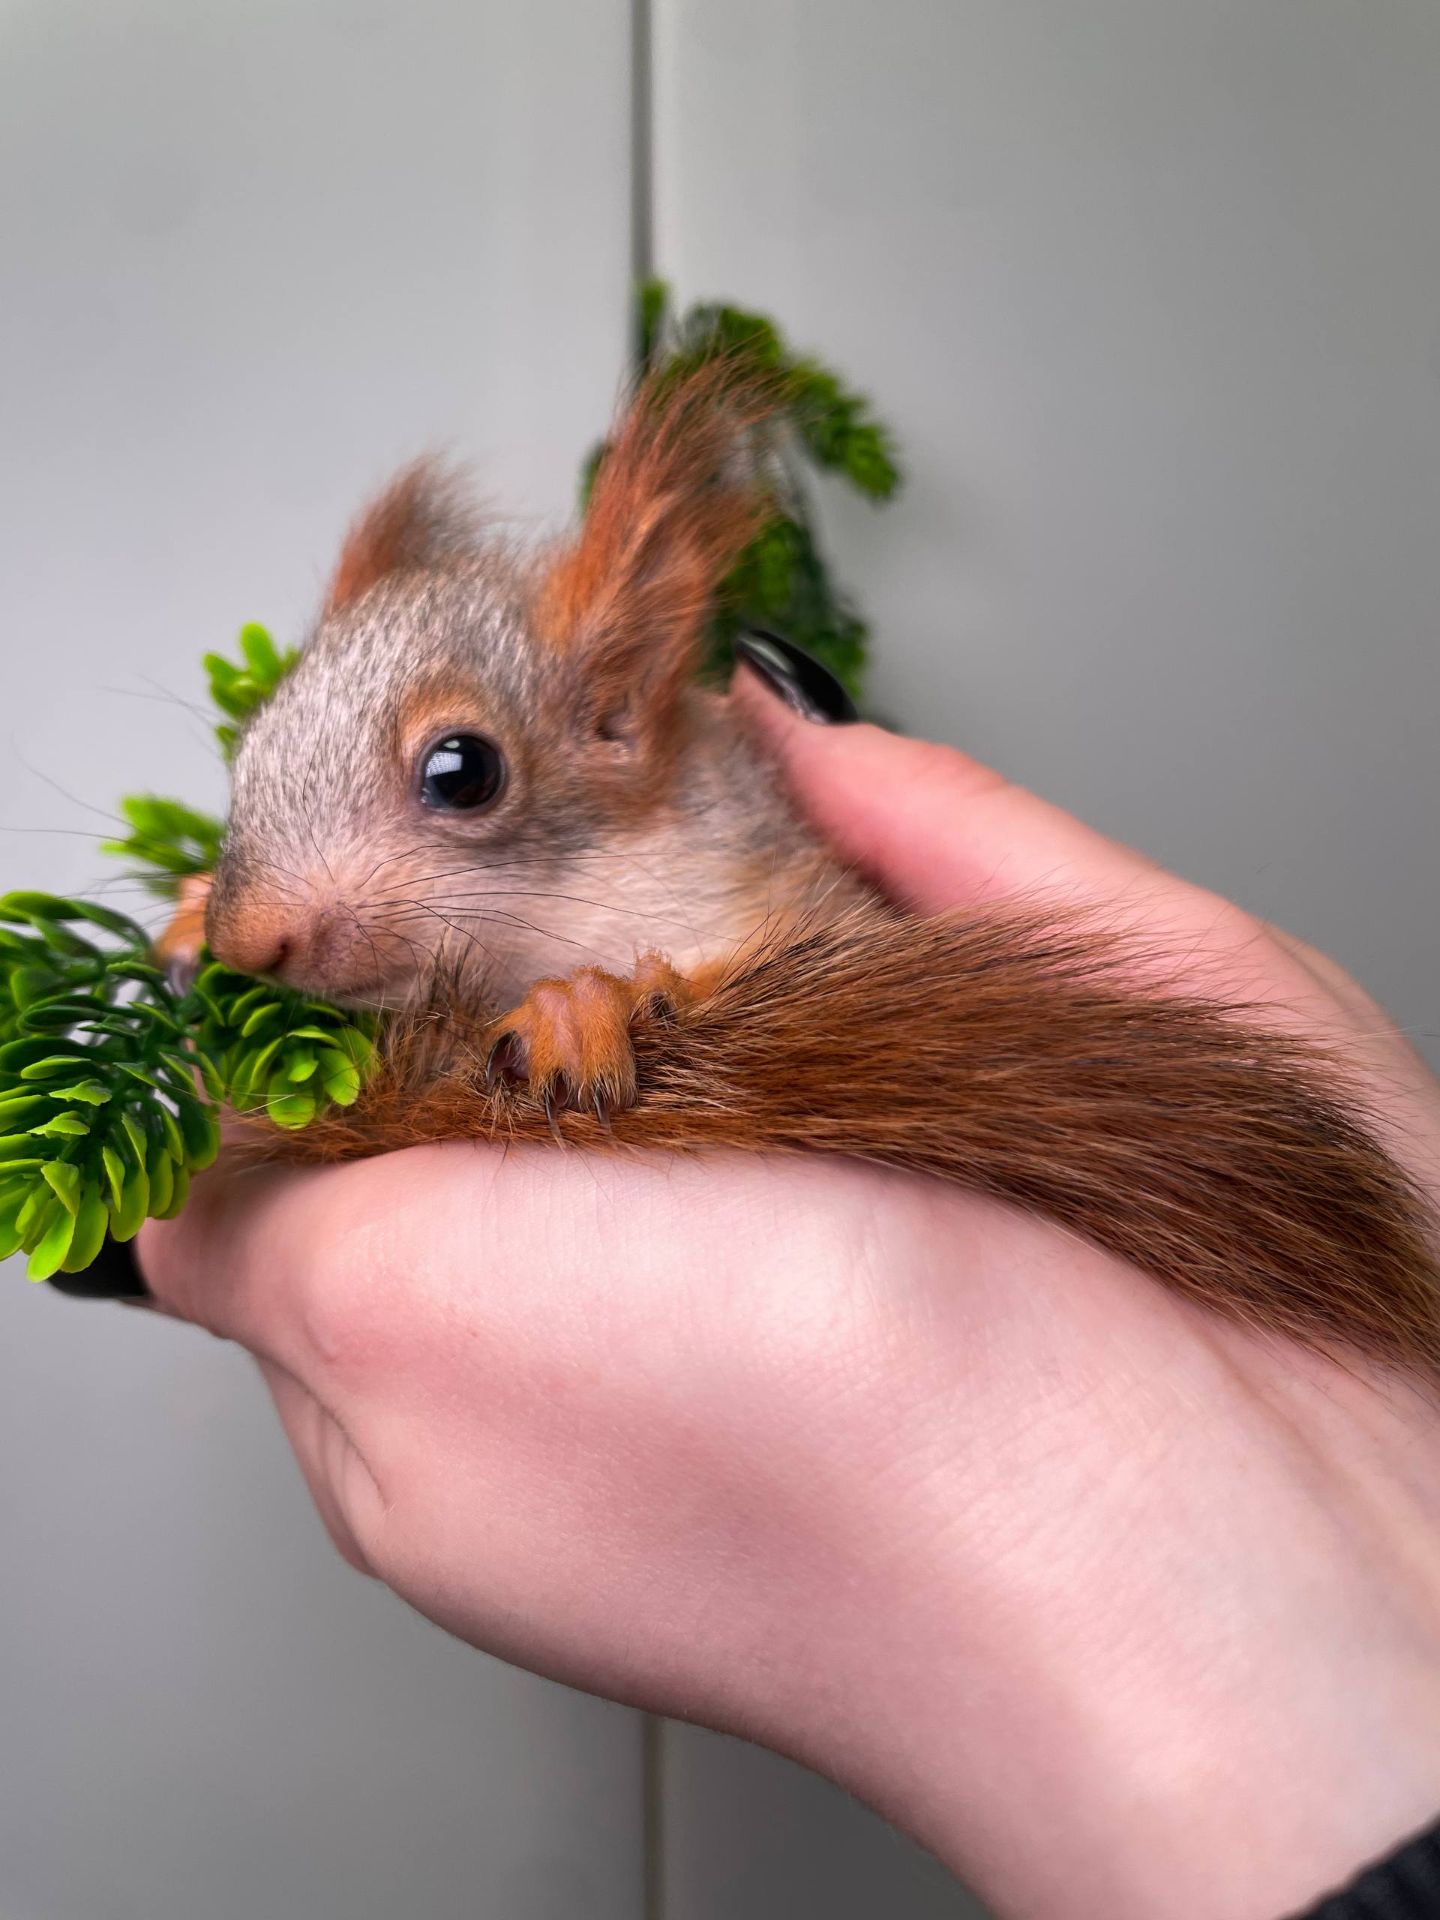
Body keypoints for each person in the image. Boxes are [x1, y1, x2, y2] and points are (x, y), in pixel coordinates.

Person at [129, 649, 1440, 1919]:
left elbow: (828, 978)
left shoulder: (691, 860)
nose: (260, 927)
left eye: (455, 774)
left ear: (616, 713)